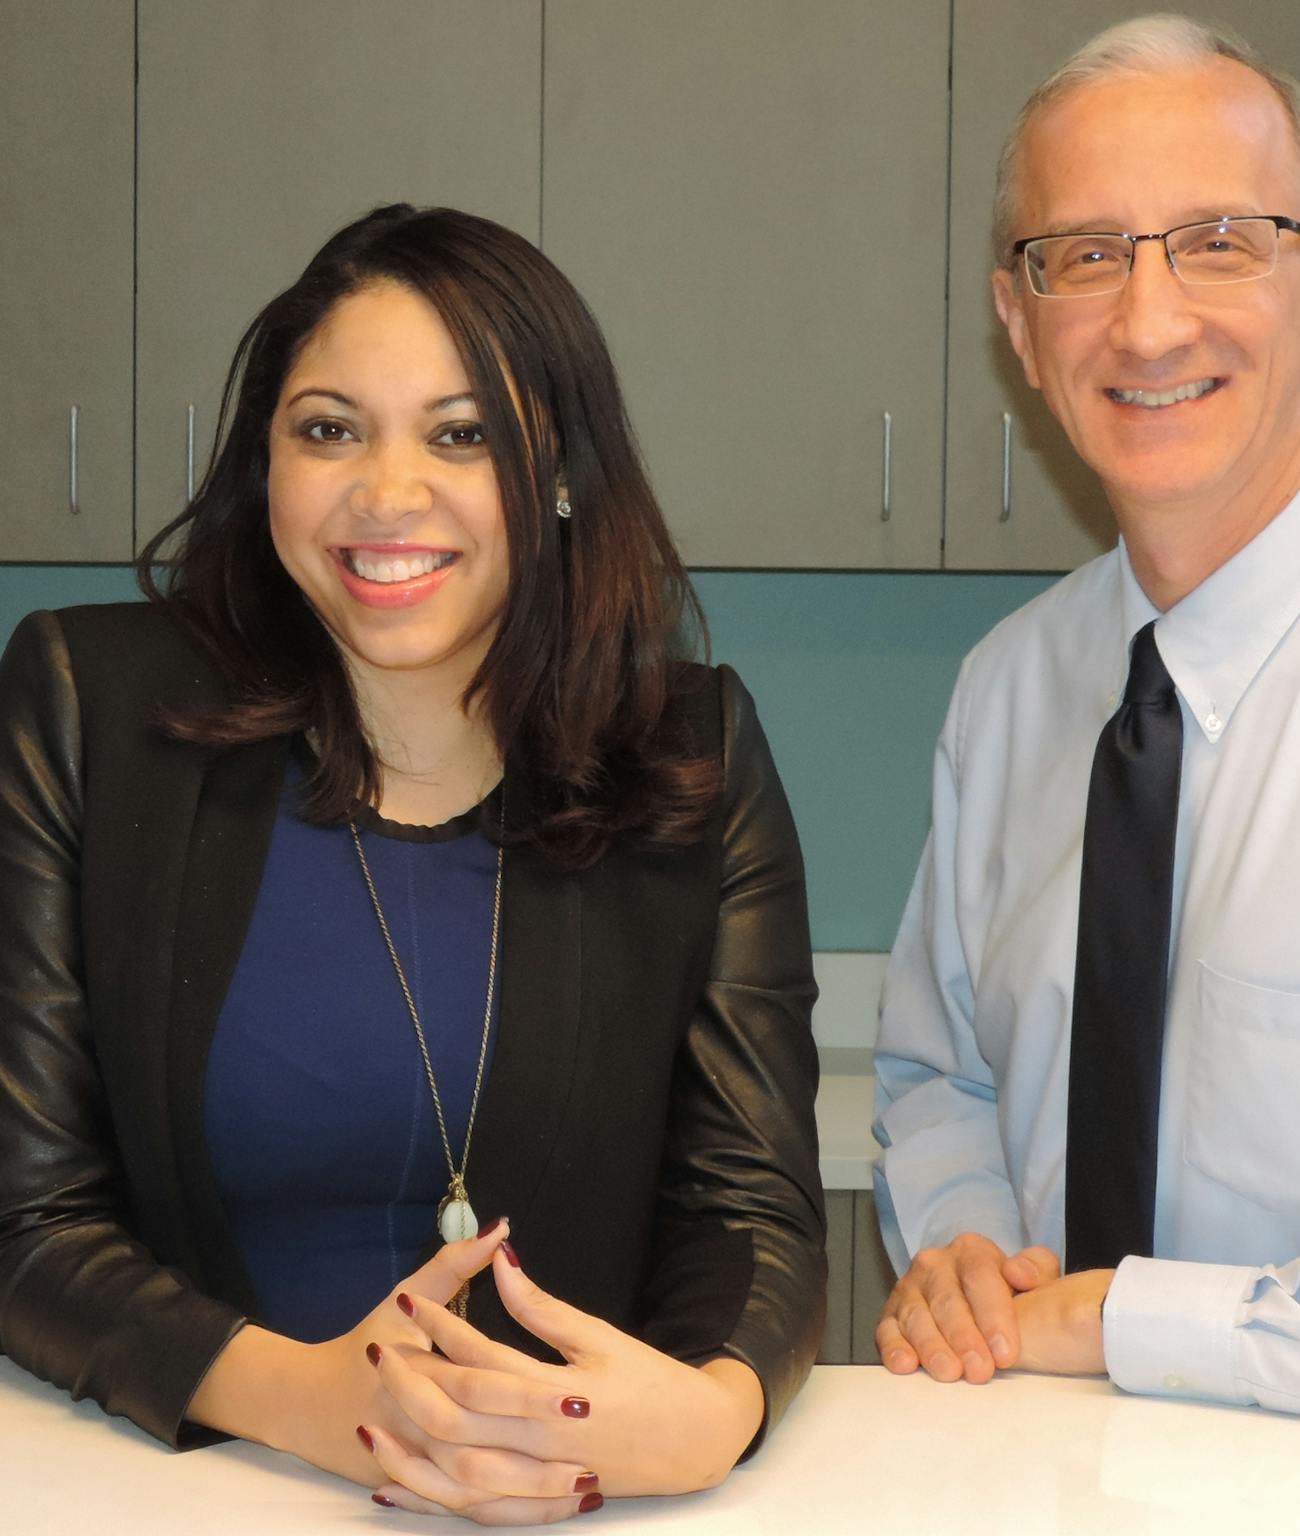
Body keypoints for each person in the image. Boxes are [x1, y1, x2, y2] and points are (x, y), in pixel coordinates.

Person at [0, 204, 825, 1522]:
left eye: (463, 435)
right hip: (186, 1491)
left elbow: (752, 1209)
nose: (388, 492)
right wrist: (315, 1406)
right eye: (329, 429)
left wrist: (707, 1417)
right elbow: (24, 1213)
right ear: (263, 463)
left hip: (560, 1505)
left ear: (557, 473)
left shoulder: (694, 753)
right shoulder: (89, 708)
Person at [872, 13, 1300, 1433]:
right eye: (1087, 257)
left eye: (1221, 241)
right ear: (1020, 325)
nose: (1150, 317)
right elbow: (945, 1075)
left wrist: (1125, 1319)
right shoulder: (1007, 692)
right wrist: (967, 1255)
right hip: (1029, 1478)